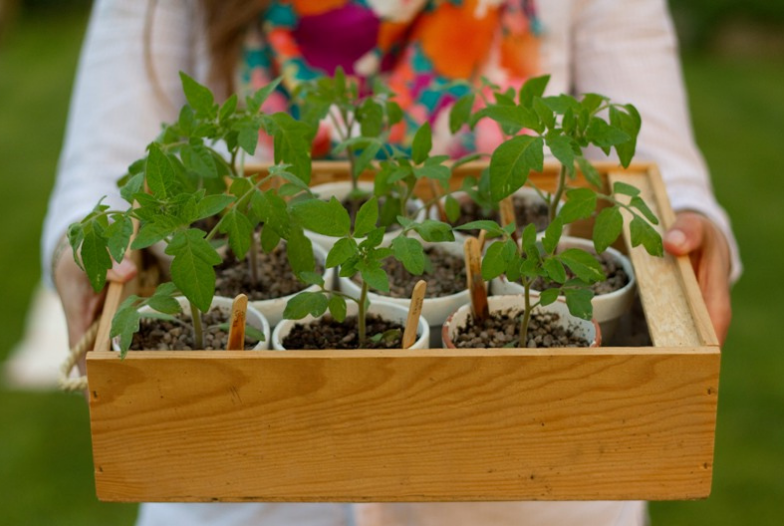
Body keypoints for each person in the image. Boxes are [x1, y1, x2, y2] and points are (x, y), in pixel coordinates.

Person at [43, 1, 740, 525]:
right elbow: (108, 171)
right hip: (243, 492)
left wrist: (696, 232)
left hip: (543, 486)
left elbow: (655, 170)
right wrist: (88, 248)